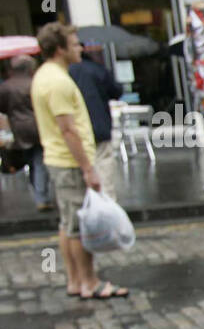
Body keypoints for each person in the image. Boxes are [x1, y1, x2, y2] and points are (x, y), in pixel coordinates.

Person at [30, 23, 129, 299]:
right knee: (78, 226)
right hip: (69, 161)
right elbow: (67, 129)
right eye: (75, 44)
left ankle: (75, 280)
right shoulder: (58, 81)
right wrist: (87, 167)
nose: (80, 49)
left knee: (68, 223)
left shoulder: (45, 75)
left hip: (59, 159)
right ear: (60, 49)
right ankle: (90, 282)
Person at [68, 45, 125, 201]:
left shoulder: (66, 73)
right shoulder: (96, 69)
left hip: (77, 128)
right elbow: (116, 90)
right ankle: (107, 204)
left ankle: (93, 203)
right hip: (99, 125)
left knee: (83, 168)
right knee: (104, 166)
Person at [0, 55, 53, 211]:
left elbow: (2, 107)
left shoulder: (6, 87)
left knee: (31, 160)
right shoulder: (36, 83)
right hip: (38, 126)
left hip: (19, 129)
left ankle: (39, 193)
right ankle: (41, 196)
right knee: (39, 160)